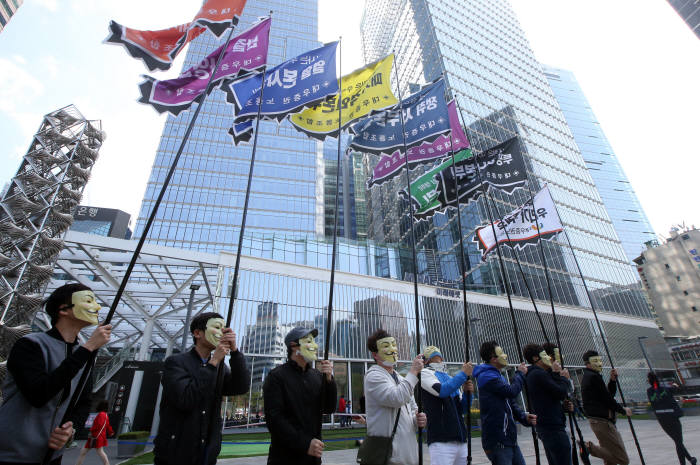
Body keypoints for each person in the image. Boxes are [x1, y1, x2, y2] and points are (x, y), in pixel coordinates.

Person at [0, 283, 111, 465]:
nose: (97, 307)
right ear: (63, 310)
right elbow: (38, 394)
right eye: (89, 301)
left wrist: (71, 429)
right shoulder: (30, 345)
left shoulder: (82, 355)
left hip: (52, 455)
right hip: (11, 452)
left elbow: (83, 402)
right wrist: (89, 347)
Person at [153, 312, 250, 465]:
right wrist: (214, 362)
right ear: (197, 333)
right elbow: (185, 399)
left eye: (223, 329)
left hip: (206, 453)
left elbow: (240, 387)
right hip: (176, 453)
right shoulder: (176, 363)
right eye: (216, 327)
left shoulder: (220, 368)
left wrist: (236, 353)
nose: (221, 333)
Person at [264, 327, 336, 465]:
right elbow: (275, 419)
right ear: (293, 346)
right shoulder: (277, 376)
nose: (315, 346)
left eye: (314, 341)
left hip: (313, 458)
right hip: (284, 458)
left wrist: (329, 381)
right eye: (308, 341)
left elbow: (328, 408)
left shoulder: (316, 376)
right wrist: (304, 444)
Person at [364, 328, 427, 465]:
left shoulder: (401, 378)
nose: (393, 349)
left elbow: (412, 409)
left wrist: (417, 419)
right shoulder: (373, 376)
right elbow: (397, 398)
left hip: (409, 455)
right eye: (386, 346)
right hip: (389, 457)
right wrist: (414, 371)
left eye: (393, 344)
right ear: (375, 355)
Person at [472, 340, 536, 465]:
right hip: (498, 441)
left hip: (509, 439)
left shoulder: (498, 376)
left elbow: (510, 402)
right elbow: (511, 392)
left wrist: (523, 417)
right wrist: (520, 374)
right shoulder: (487, 376)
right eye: (501, 353)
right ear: (493, 358)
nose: (505, 355)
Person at [420, 345, 474, 465]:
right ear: (426, 360)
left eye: (439, 356)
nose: (437, 357)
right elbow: (442, 391)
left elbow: (463, 409)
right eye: (434, 356)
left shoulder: (451, 378)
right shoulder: (424, 373)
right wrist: (463, 374)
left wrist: (468, 393)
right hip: (440, 440)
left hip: (461, 440)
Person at [523, 343, 572, 465]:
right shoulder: (538, 374)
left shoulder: (536, 374)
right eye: (544, 354)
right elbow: (560, 392)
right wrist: (562, 377)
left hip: (548, 426)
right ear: (535, 358)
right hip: (552, 427)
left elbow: (548, 398)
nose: (549, 358)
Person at [580, 350, 631, 465]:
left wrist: (612, 380)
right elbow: (608, 400)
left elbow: (606, 396)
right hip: (602, 423)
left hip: (600, 422)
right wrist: (623, 410)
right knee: (622, 459)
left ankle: (588, 448)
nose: (599, 363)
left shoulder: (591, 376)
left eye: (599, 360)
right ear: (587, 363)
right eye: (595, 361)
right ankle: (588, 448)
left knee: (609, 460)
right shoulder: (593, 377)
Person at [647, 372, 696, 465]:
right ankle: (685, 462)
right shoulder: (666, 389)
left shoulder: (649, 391)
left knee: (678, 442)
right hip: (672, 417)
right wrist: (674, 385)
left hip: (662, 420)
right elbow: (676, 389)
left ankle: (690, 459)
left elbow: (655, 394)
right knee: (678, 442)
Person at [75, 400, 114, 465]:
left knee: (95, 452)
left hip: (95, 436)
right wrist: (111, 432)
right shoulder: (105, 415)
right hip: (99, 436)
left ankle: (107, 464)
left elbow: (98, 425)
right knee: (85, 451)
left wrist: (91, 430)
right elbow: (107, 425)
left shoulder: (100, 414)